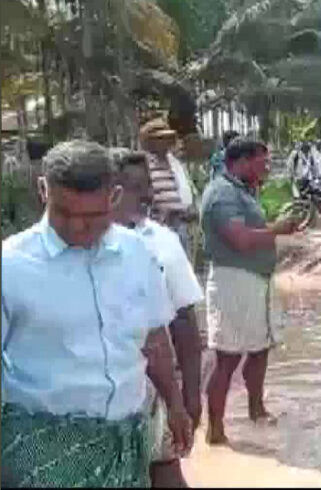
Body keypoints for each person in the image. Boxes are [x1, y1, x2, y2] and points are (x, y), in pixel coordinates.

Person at [1, 140, 192, 487]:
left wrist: (174, 405)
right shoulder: (10, 266)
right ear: (44, 191)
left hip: (128, 442)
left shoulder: (137, 254)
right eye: (64, 214)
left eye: (93, 217)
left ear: (114, 197)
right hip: (41, 451)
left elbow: (154, 339)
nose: (78, 228)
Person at [112, 149, 204, 488]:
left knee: (167, 476)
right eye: (136, 187)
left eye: (149, 185)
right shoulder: (74, 248)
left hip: (155, 393)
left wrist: (190, 395)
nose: (148, 195)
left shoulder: (163, 242)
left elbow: (184, 322)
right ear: (111, 190)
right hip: (96, 405)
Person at [201, 137, 299, 445]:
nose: (266, 168)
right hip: (234, 282)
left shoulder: (242, 190)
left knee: (260, 348)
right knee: (227, 357)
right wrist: (277, 229)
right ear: (241, 162)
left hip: (255, 280)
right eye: (261, 162)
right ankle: (215, 429)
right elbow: (240, 240)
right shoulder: (222, 193)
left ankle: (257, 410)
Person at [139, 118, 198, 255]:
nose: (165, 142)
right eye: (160, 139)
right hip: (157, 228)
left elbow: (186, 193)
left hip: (180, 226)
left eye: (167, 138)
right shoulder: (145, 165)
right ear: (150, 142)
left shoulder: (175, 164)